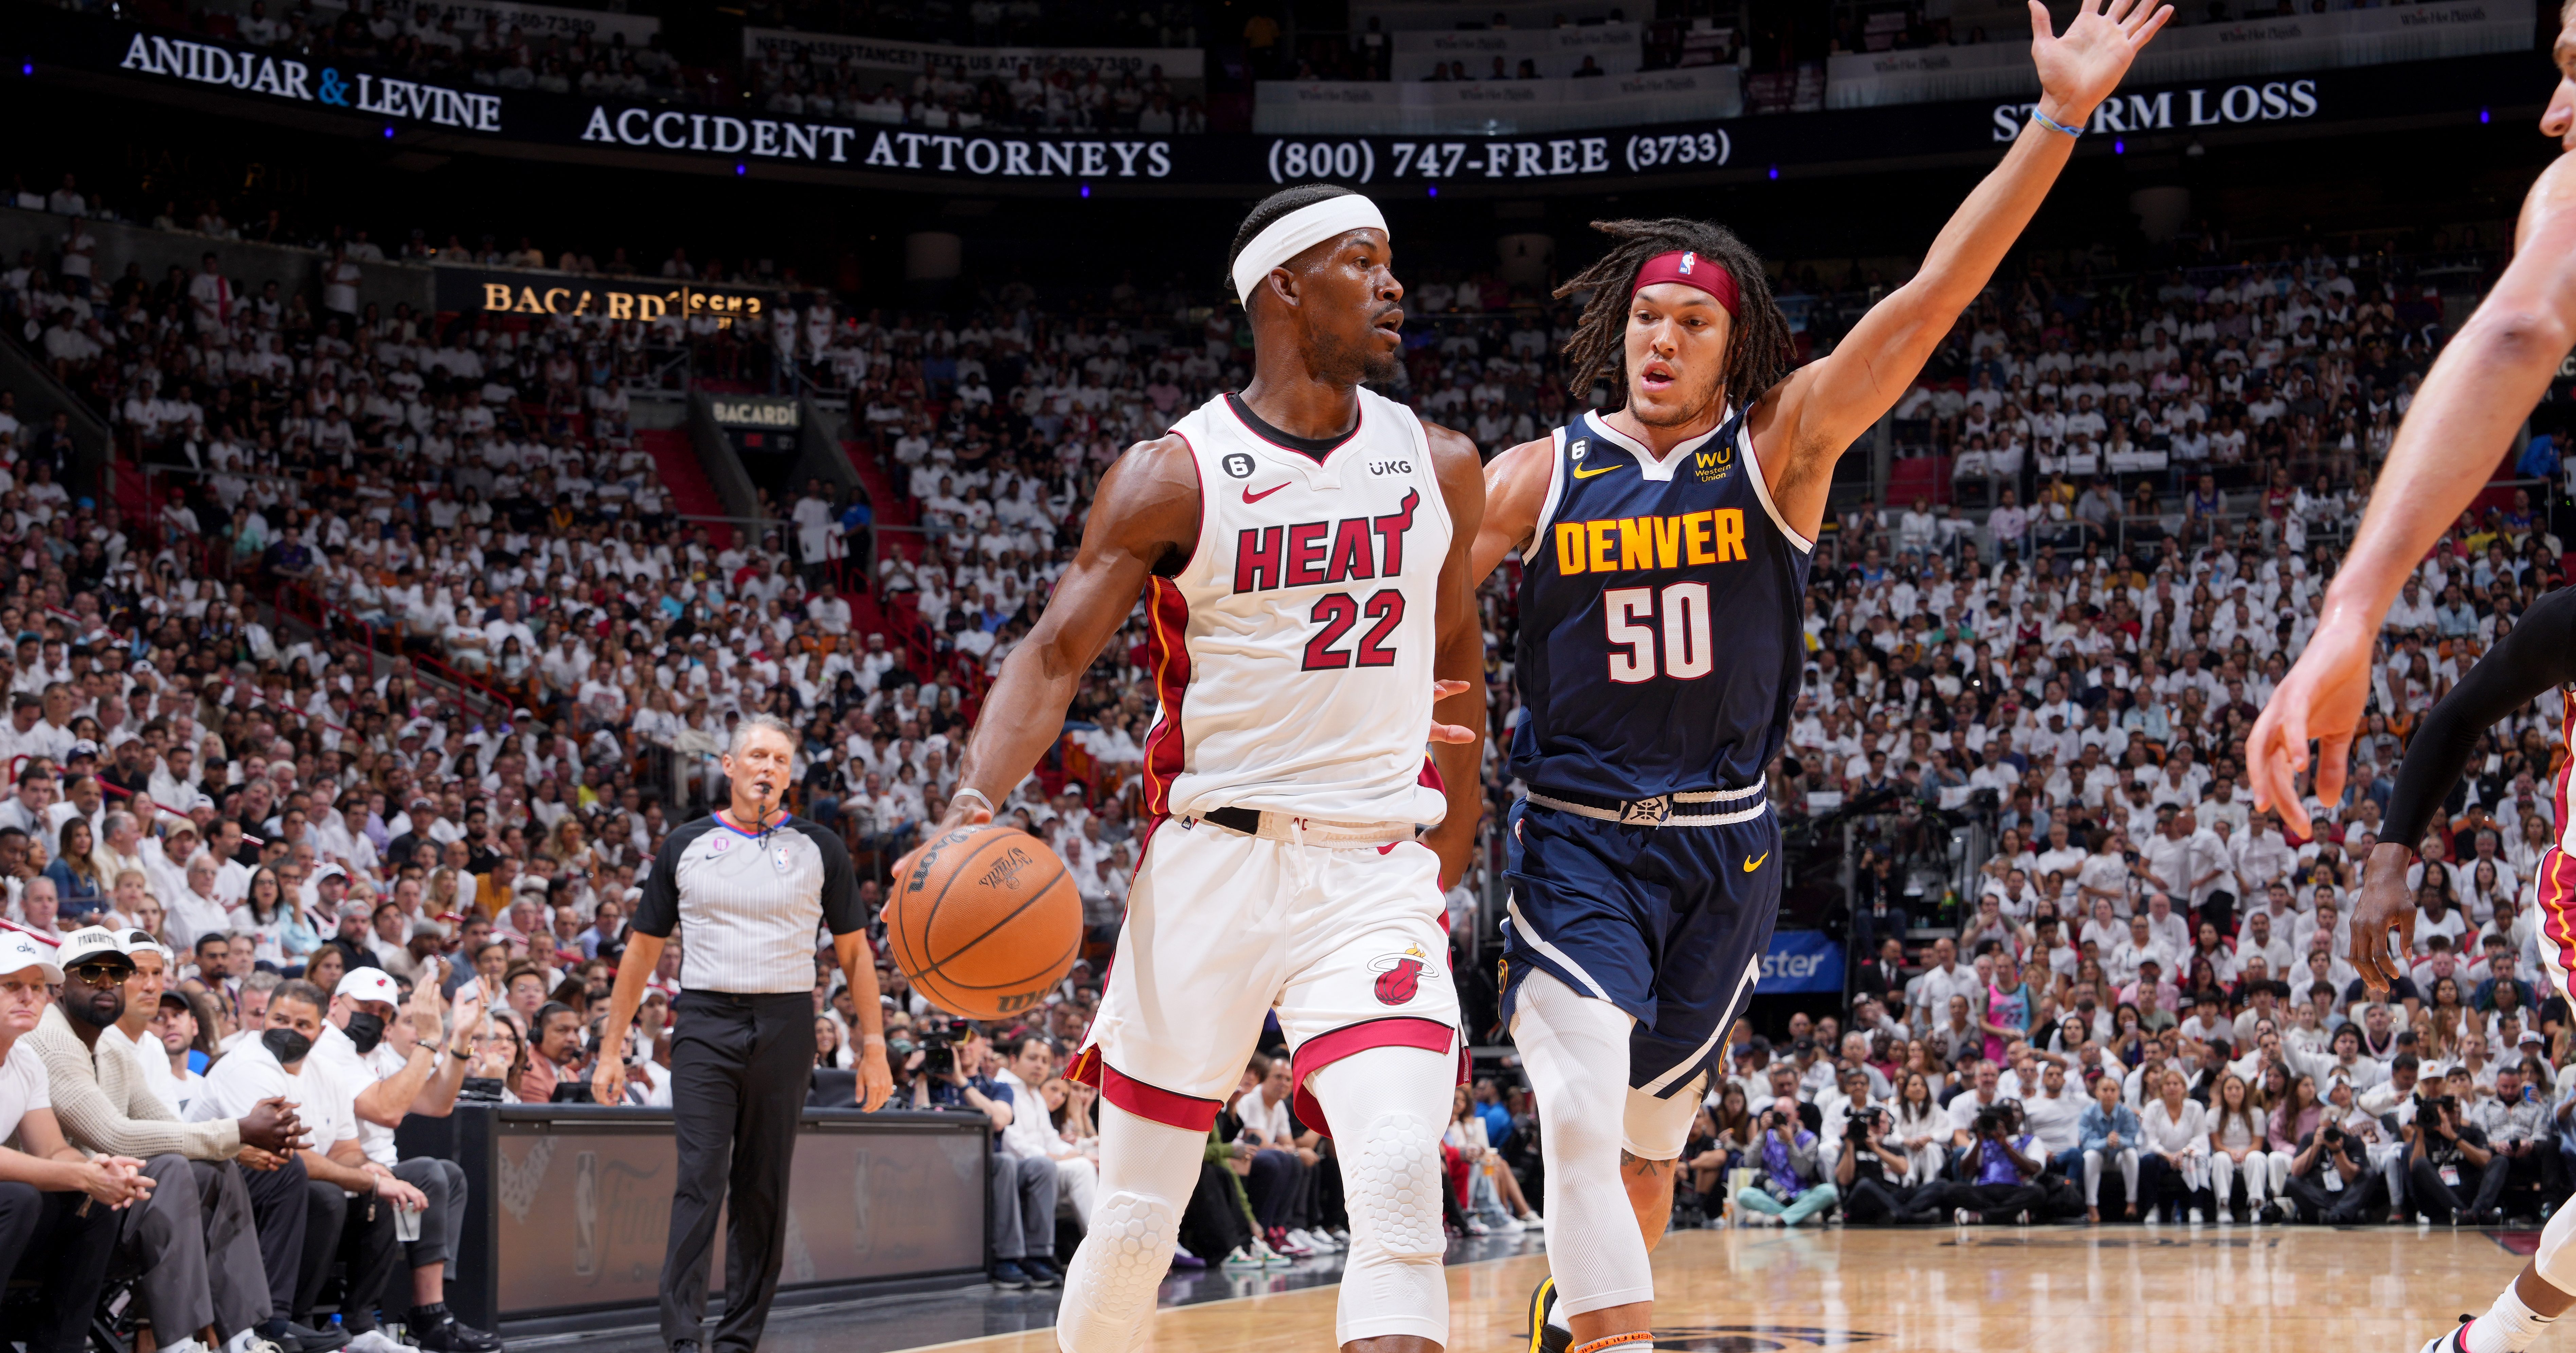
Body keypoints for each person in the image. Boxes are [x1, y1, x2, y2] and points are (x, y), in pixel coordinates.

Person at [1466, 0, 2172, 1343]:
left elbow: (1934, 299)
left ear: (1734, 345)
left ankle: (1579, 1310)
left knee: (1647, 1146)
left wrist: (2061, 118)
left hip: (1728, 853)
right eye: (1644, 317)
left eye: (1688, 320)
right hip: (1576, 839)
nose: (1659, 338)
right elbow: (1420, 586)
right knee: (1573, 1090)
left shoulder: (1783, 446)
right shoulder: (1539, 473)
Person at [897, 184, 1487, 1353]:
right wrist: (972, 805)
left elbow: (1460, 677)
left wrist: (1444, 867)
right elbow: (1055, 652)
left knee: (1395, 1172)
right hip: (1214, 867)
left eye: (1390, 263)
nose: (1392, 286)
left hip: (1372, 873)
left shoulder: (1441, 463)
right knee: (1131, 1220)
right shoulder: (1176, 473)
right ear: (1283, 289)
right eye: (1360, 263)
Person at [590, 715, 893, 1353]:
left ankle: (738, 1340)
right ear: (727, 766)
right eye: (756, 756)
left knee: (763, 1187)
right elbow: (641, 955)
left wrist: (873, 1046)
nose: (767, 769)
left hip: (786, 1024)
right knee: (698, 1177)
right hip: (703, 1021)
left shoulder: (820, 848)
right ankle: (680, 1339)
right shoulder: (686, 844)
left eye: (780, 761)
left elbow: (856, 956)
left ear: (790, 775)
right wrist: (612, 1047)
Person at [28, 925, 319, 1353]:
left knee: (212, 1171)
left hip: (110, 1193)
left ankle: (240, 1337)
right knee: (172, 1167)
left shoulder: (112, 1045)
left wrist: (238, 1145)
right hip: (55, 1206)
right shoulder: (51, 1039)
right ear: (59, 986)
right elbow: (113, 1133)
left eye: (116, 972)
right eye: (90, 972)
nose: (107, 982)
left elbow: (165, 1124)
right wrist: (238, 1130)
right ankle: (179, 1343)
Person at [188, 980, 408, 1353]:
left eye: (302, 1025)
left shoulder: (327, 1071)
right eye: (280, 1019)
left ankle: (356, 1321)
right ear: (263, 1020)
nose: (288, 1031)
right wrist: (368, 1181)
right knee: (320, 1191)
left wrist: (373, 1172)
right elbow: (286, 1156)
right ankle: (274, 1320)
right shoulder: (249, 1065)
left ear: (321, 1030)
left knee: (378, 1191)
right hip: (209, 1184)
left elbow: (346, 1149)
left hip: (270, 1186)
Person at [306, 966, 501, 1353]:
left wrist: (459, 1038)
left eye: (383, 1011)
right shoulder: (326, 1047)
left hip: (373, 1175)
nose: (374, 1017)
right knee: (429, 1174)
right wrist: (429, 1040)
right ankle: (392, 1318)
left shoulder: (372, 1052)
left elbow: (437, 1101)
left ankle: (430, 1313)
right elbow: (386, 1110)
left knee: (449, 1175)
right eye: (365, 1005)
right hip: (334, 1175)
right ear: (335, 1004)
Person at [0, 928, 153, 1353]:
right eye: (12, 985)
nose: (29, 997)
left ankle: (60, 1345)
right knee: (19, 1197)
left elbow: (50, 1148)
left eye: (36, 987)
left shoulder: (24, 1057)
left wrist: (97, 1169)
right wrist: (80, 1173)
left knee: (92, 1202)